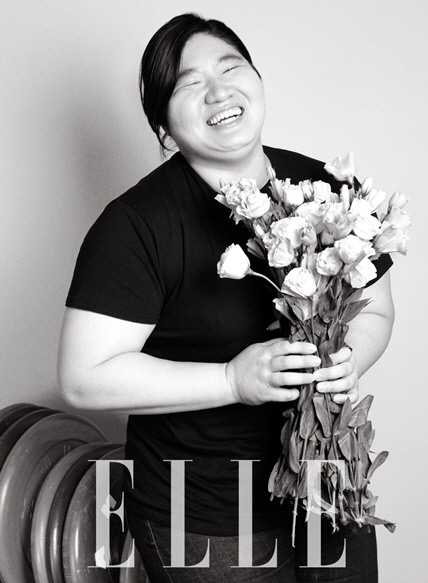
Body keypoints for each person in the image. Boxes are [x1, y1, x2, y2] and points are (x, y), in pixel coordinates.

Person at [58, 13, 394, 583]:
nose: (218, 91)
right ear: (164, 129)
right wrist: (231, 381)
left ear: (257, 80)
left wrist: (349, 359)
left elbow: (377, 310)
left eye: (230, 67)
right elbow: (82, 378)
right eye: (189, 84)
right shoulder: (135, 225)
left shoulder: (331, 192)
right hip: (206, 513)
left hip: (330, 486)